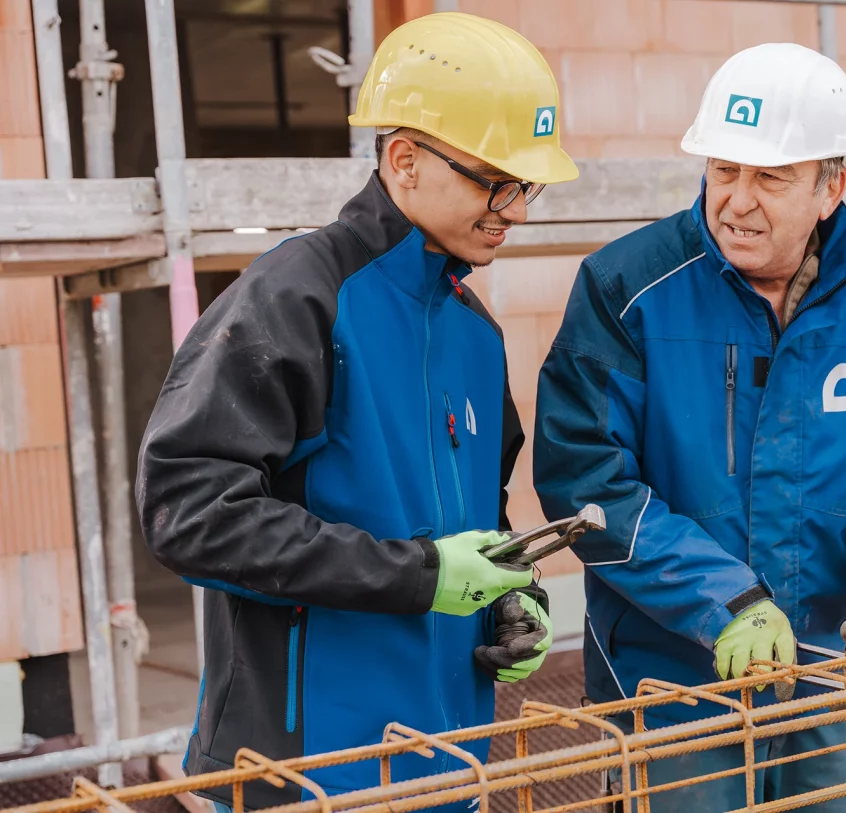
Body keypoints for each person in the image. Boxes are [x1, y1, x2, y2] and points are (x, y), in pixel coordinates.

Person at [135, 13, 577, 811]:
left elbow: (483, 519)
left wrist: (515, 596)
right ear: (403, 159)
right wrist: (424, 575)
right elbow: (188, 512)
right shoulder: (298, 299)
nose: (514, 208)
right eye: (493, 179)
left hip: (449, 762)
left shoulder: (475, 333)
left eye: (527, 185)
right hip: (306, 771)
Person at [533, 42, 846, 812]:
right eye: (723, 168)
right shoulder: (627, 289)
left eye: (770, 176)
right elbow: (585, 481)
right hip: (669, 679)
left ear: (832, 185)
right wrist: (726, 597)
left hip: (827, 675)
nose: (735, 198)